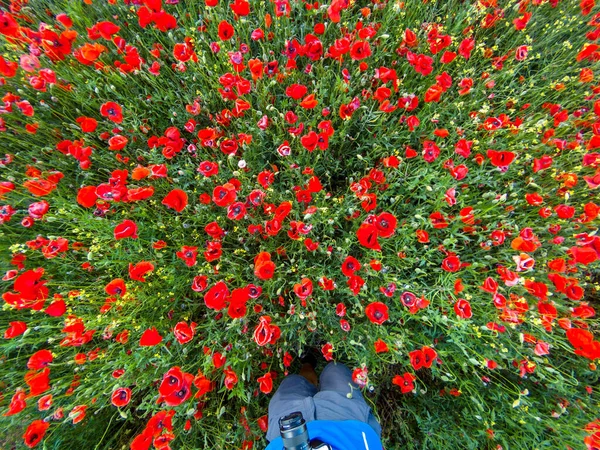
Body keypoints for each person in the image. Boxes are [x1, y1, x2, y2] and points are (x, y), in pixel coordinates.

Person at [265, 351, 383, 450]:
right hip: (347, 429)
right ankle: (330, 353)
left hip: (286, 439)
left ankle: (308, 363)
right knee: (336, 371)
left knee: (292, 384)